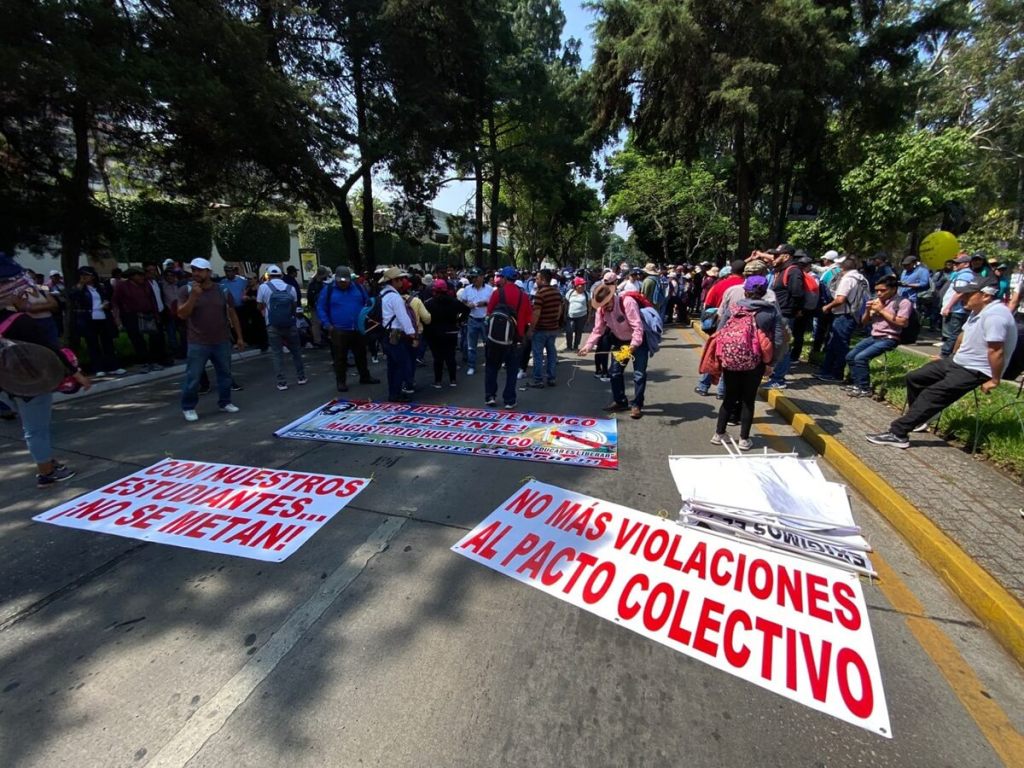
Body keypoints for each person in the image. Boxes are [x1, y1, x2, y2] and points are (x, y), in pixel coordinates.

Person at [867, 275, 1018, 448]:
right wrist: (949, 357)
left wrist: (994, 379)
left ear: (986, 295)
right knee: (915, 378)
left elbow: (996, 350)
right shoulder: (978, 311)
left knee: (932, 394)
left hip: (977, 369)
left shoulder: (996, 316)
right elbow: (963, 335)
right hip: (958, 361)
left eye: (969, 294)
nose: (963, 298)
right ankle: (922, 417)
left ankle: (898, 433)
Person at [0, 288, 92, 486]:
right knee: (35, 429)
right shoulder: (18, 321)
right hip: (29, 381)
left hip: (4, 385)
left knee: (31, 425)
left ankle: (47, 461)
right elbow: (50, 349)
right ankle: (46, 472)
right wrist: (75, 373)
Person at [710, 275, 783, 450]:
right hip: (755, 362)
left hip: (732, 360)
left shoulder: (734, 309)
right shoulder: (771, 312)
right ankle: (744, 439)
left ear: (745, 291)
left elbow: (719, 333)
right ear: (765, 292)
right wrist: (771, 363)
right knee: (748, 400)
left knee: (729, 397)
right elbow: (779, 340)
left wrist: (720, 357)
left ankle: (719, 434)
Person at [178, 257, 245, 422]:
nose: (196, 273)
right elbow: (181, 314)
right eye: (193, 270)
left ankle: (225, 402)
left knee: (225, 374)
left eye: (200, 270)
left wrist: (239, 337)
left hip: (221, 340)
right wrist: (193, 297)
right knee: (193, 377)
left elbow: (232, 314)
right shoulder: (186, 290)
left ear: (208, 272)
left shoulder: (222, 290)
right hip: (197, 342)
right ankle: (188, 407)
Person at [579, 283, 648, 419]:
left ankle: (637, 405)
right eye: (602, 305)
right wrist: (588, 346)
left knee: (639, 374)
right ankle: (621, 401)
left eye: (606, 303)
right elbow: (598, 330)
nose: (605, 308)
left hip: (638, 342)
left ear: (612, 297)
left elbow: (638, 327)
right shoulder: (601, 310)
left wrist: (633, 345)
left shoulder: (627, 303)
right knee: (614, 372)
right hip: (620, 342)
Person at [844, 275, 911, 397]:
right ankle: (857, 384)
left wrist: (881, 310)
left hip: (890, 338)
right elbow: (864, 323)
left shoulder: (903, 302)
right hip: (874, 336)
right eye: (877, 290)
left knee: (861, 358)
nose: (879, 293)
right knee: (850, 356)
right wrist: (867, 310)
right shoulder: (877, 301)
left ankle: (864, 388)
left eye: (883, 290)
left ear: (893, 289)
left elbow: (903, 322)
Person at [318, 266, 378, 393]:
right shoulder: (328, 290)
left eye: (345, 281)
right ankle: (341, 382)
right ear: (336, 279)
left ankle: (365, 376)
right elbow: (321, 308)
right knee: (340, 358)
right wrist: (327, 324)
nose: (343, 283)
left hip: (358, 328)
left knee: (361, 354)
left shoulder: (358, 287)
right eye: (341, 281)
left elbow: (367, 303)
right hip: (339, 329)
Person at [817, 255, 870, 383]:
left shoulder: (847, 279)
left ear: (842, 267)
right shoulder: (862, 279)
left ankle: (836, 374)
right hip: (854, 315)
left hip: (844, 316)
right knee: (833, 344)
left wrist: (827, 307)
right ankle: (826, 371)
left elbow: (840, 299)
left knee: (840, 345)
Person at [484, 267, 531, 408]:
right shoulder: (524, 296)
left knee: (492, 367)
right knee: (512, 370)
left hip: (495, 338)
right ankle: (509, 400)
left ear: (504, 278)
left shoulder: (498, 293)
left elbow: (489, 312)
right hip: (515, 338)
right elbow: (528, 318)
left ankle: (490, 396)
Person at [257, 265, 307, 391]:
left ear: (268, 275)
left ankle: (282, 382)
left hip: (272, 324)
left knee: (277, 354)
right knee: (296, 351)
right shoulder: (290, 288)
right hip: (290, 324)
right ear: (281, 275)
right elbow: (294, 306)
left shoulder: (263, 287)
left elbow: (259, 306)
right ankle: (301, 377)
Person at [68, 266, 125, 376]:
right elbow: (73, 296)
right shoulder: (80, 288)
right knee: (93, 344)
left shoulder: (101, 287)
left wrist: (106, 304)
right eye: (82, 275)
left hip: (103, 316)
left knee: (108, 343)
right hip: (89, 319)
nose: (85, 277)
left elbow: (108, 297)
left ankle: (113, 366)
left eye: (87, 275)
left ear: (93, 276)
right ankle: (98, 368)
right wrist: (81, 284)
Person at [112, 267, 166, 372]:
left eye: (142, 275)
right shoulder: (122, 286)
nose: (142, 277)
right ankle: (144, 362)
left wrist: (156, 315)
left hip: (148, 314)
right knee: (137, 340)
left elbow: (152, 300)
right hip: (131, 316)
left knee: (154, 338)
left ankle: (153, 361)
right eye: (139, 275)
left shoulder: (146, 285)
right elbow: (115, 302)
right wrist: (117, 318)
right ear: (132, 276)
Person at [764, 245, 803, 389]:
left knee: (783, 347)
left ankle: (779, 379)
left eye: (776, 256)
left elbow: (797, 293)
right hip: (779, 314)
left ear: (786, 256)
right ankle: (775, 375)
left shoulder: (793, 271)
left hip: (785, 315)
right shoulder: (783, 270)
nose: (773, 259)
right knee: (777, 345)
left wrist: (792, 310)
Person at [378, 267, 418, 402]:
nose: (402, 281)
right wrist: (412, 333)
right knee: (402, 365)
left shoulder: (382, 294)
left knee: (392, 366)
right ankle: (396, 394)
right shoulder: (395, 297)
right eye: (400, 279)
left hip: (386, 334)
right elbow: (403, 317)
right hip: (396, 335)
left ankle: (393, 392)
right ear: (394, 281)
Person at [424, 279, 468, 388]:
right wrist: (460, 321)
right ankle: (453, 380)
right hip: (451, 332)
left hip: (434, 334)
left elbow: (424, 318)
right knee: (450, 357)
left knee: (438, 358)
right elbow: (466, 310)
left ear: (434, 290)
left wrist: (426, 331)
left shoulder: (429, 303)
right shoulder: (453, 301)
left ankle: (438, 381)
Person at [939, 252, 985, 357]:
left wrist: (948, 306)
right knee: (954, 333)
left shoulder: (964, 275)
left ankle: (945, 355)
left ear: (966, 264)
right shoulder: (964, 274)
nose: (955, 265)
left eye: (958, 263)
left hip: (957, 309)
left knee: (953, 334)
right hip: (957, 309)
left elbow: (959, 292)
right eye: (955, 263)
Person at [529, 268, 563, 388]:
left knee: (538, 356)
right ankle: (551, 378)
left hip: (541, 330)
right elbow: (559, 310)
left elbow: (536, 313)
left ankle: (538, 380)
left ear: (543, 280)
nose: (536, 281)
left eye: (537, 278)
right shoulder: (556, 292)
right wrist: (554, 321)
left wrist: (531, 328)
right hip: (553, 329)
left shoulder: (540, 294)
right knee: (551, 354)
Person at [460, 268, 493, 376]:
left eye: (476, 277)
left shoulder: (489, 289)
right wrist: (467, 305)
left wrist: (485, 303)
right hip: (472, 319)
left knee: (488, 344)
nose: (474, 279)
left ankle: (490, 365)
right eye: (472, 277)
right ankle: (471, 366)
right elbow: (463, 302)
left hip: (485, 319)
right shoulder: (467, 289)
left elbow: (494, 304)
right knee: (471, 346)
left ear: (482, 277)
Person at [307, 266, 331, 347]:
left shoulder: (312, 283)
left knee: (316, 324)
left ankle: (318, 340)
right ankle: (323, 339)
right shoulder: (324, 283)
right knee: (319, 323)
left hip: (314, 306)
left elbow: (309, 296)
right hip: (320, 306)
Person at [564, 277, 589, 352]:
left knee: (579, 332)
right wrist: (564, 314)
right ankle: (569, 347)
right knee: (569, 331)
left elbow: (590, 307)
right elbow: (566, 303)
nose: (583, 286)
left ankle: (575, 347)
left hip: (582, 316)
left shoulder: (586, 294)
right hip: (570, 316)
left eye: (583, 285)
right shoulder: (570, 292)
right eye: (581, 284)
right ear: (576, 285)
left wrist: (588, 318)